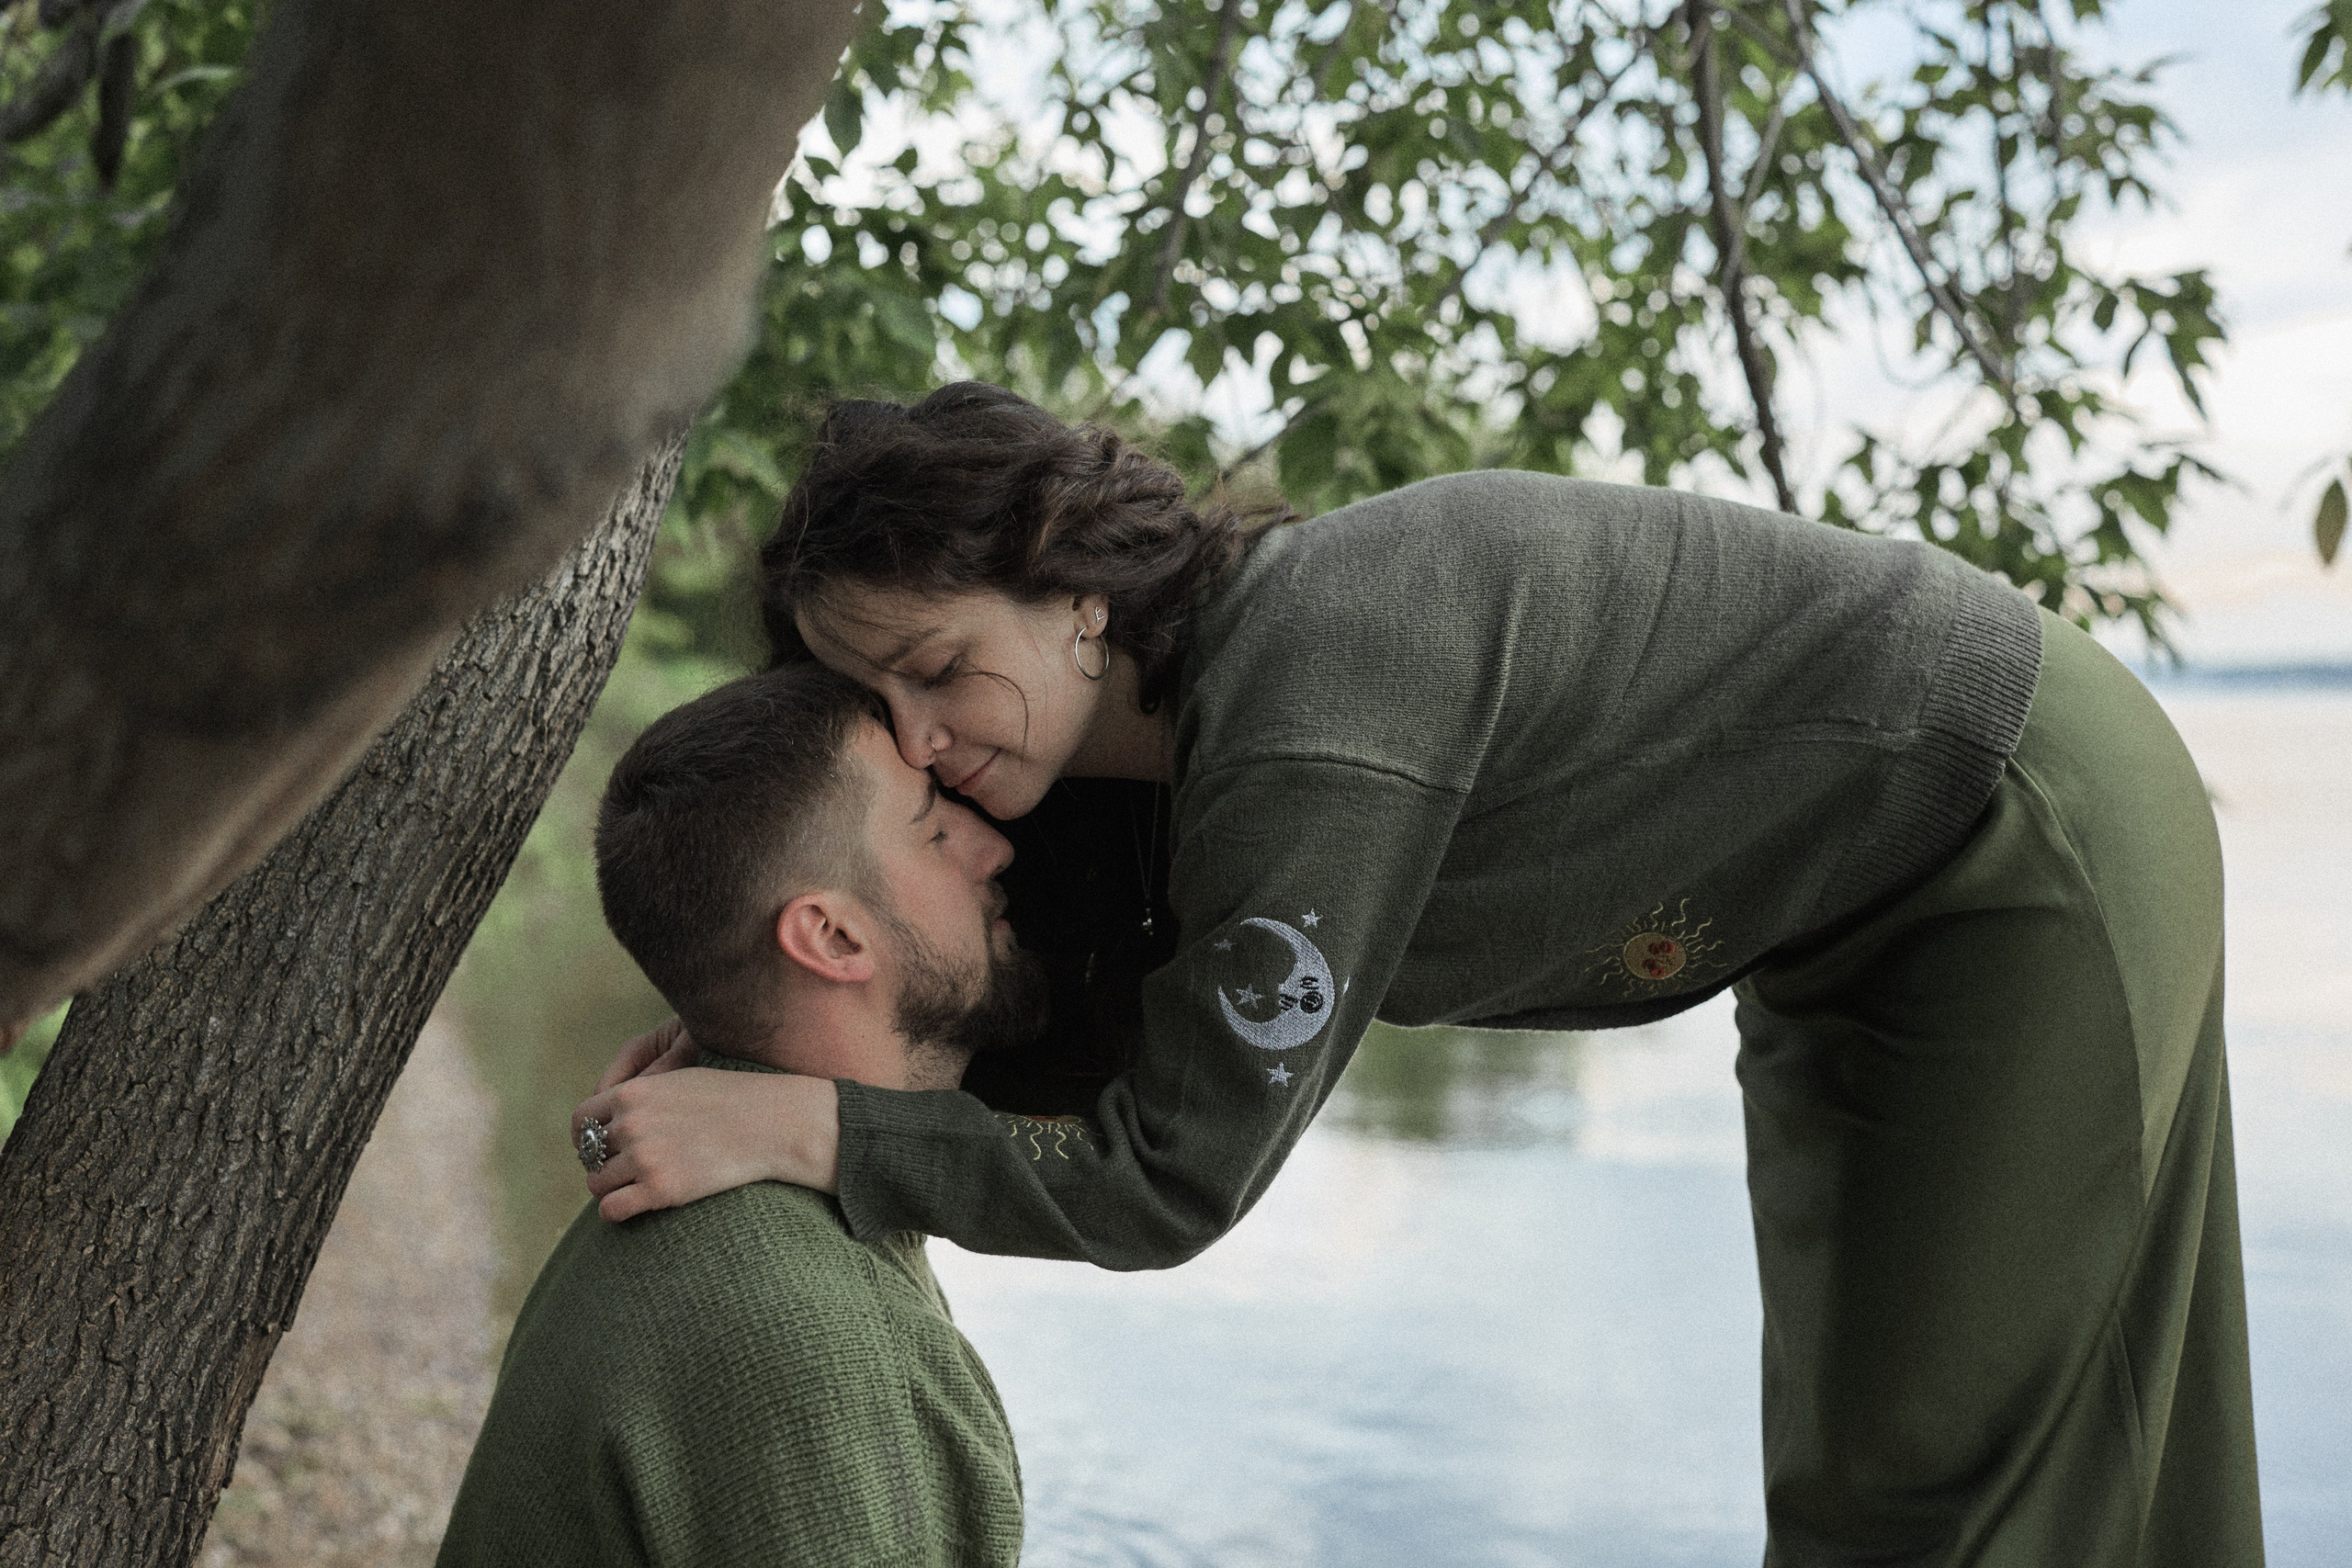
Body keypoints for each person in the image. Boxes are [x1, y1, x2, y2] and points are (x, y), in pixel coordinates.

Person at [571, 382, 2262, 1565]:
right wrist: (751, 1037)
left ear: (1077, 591)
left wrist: (806, 1132)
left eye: (945, 670)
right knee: (1867, 1477)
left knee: (1964, 1480)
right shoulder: (1154, 761)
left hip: (2014, 822)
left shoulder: (1310, 703)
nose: (931, 749)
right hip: (1848, 909)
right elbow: (1059, 1048)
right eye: (892, 719)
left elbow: (1170, 1173)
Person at [437, 663, 1042, 1568]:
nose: (992, 848)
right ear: (832, 937)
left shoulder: (693, 1198)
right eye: (934, 830)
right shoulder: (816, 1344)